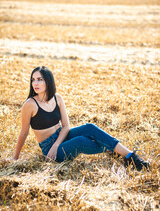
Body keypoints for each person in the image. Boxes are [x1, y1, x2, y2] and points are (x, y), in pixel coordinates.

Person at [13, 66, 149, 171]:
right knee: (81, 141)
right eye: (33, 79)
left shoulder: (57, 98)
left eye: (40, 79)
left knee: (90, 127)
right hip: (49, 148)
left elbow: (66, 126)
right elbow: (24, 132)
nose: (35, 83)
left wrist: (57, 144)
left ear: (48, 81)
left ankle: (131, 156)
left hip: (61, 138)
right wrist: (15, 158)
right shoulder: (30, 105)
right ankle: (113, 150)